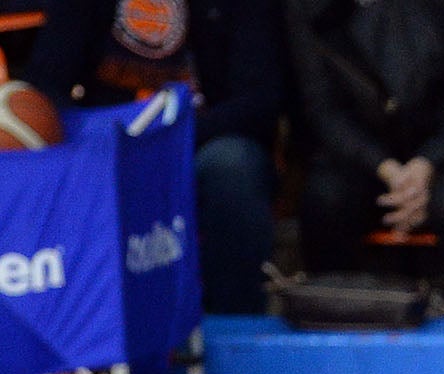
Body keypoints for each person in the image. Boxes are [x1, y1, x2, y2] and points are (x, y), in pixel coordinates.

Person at [25, 0, 284, 314]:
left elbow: (259, 100)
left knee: (232, 168)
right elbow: (45, 85)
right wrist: (99, 137)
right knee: (52, 162)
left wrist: (169, 136)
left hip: (202, 141)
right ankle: (84, 329)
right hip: (109, 144)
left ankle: (231, 329)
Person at [281, 0, 444, 316]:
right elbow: (322, 109)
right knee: (326, 198)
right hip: (372, 157)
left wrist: (426, 163)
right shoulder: (308, 8)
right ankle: (335, 330)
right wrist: (388, 170)